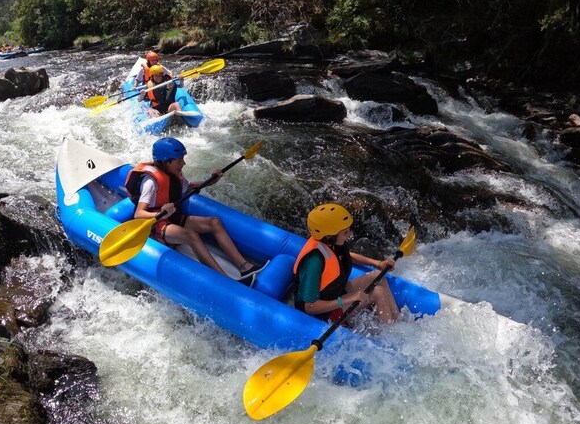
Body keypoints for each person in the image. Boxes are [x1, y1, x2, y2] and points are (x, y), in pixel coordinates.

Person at [125, 137, 267, 286]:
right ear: (166, 162)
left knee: (214, 222)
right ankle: (224, 280)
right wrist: (160, 213)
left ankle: (245, 267)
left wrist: (212, 180)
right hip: (155, 223)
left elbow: (190, 186)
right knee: (190, 235)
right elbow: (139, 214)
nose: (183, 163)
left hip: (172, 217)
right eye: (179, 160)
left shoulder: (175, 173)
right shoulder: (151, 182)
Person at [293, 203, 400, 326]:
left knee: (377, 275)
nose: (349, 234)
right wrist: (345, 300)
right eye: (345, 232)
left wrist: (378, 263)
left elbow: (346, 256)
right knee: (378, 293)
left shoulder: (330, 242)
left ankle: (397, 322)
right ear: (329, 235)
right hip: (322, 313)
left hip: (334, 295)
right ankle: (390, 335)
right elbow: (310, 307)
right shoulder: (313, 262)